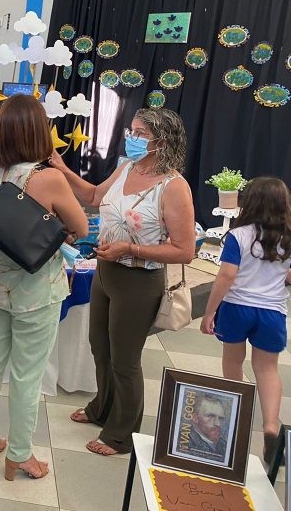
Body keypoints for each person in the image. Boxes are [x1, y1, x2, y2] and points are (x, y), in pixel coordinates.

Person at [50, 107, 196, 456]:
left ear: (162, 141)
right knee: (99, 346)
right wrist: (62, 168)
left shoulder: (174, 187)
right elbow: (94, 197)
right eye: (132, 131)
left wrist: (131, 249)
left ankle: (122, 434)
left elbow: (185, 250)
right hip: (106, 272)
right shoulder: (127, 167)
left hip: (139, 281)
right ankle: (102, 407)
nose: (132, 138)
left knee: (125, 360)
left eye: (140, 133)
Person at [0, 94, 88, 481]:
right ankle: (20, 454)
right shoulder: (48, 178)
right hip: (36, 291)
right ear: (40, 131)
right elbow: (81, 227)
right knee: (26, 374)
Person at [200, 176, 291, 464]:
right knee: (267, 369)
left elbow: (227, 276)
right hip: (272, 311)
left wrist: (209, 312)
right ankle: (271, 425)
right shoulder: (288, 238)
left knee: (233, 361)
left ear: (248, 202)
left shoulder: (238, 236)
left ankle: (234, 420)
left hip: (237, 307)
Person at [185, 394, 228, 462]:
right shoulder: (185, 442)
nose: (218, 424)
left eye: (221, 418)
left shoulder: (225, 445)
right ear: (195, 418)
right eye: (210, 416)